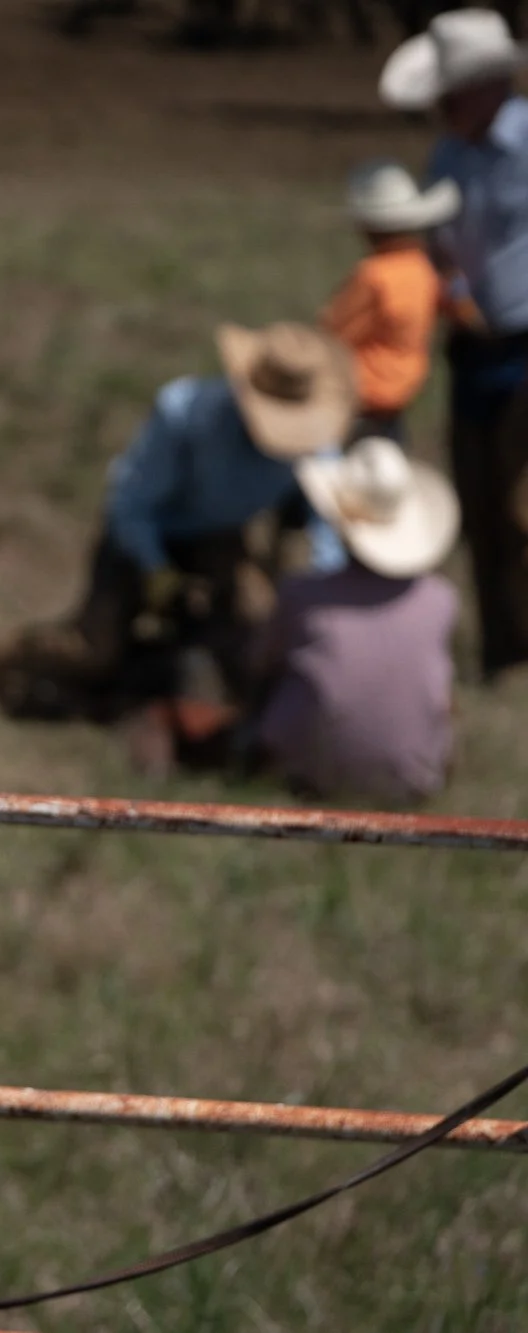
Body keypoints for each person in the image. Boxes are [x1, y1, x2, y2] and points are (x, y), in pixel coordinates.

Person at [0, 323, 354, 721]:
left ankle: (163, 687)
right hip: (148, 535)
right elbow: (131, 503)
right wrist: (155, 569)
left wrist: (315, 595)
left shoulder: (317, 445)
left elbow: (324, 527)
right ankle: (10, 653)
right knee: (94, 652)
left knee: (253, 634)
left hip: (219, 538)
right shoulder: (185, 414)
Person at [380, 8, 528, 678]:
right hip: (471, 351)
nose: (441, 106)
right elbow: (441, 243)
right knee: (479, 505)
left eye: (451, 91)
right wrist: (449, 285)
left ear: (487, 86)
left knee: (523, 504)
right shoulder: (447, 155)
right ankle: (500, 647)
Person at [248, 438, 460, 803]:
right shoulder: (440, 600)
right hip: (413, 782)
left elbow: (261, 664)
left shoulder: (302, 596)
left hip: (311, 772)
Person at [320, 160, 458, 442]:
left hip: (361, 396)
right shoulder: (423, 268)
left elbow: (334, 332)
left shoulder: (374, 275)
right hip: (398, 397)